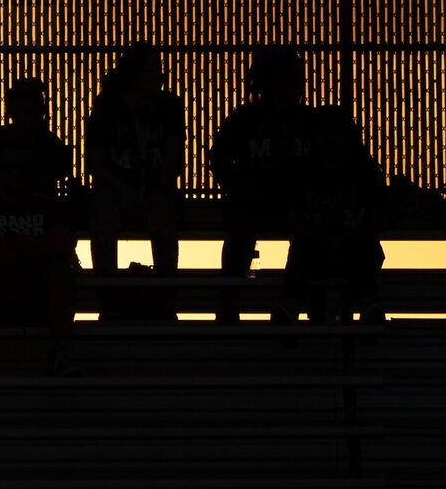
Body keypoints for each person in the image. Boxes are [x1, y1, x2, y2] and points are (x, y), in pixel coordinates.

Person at [0, 76, 76, 372]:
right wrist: (33, 249)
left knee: (60, 277)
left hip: (37, 290)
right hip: (0, 289)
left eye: (27, 166)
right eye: (10, 167)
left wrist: (12, 248)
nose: (18, 174)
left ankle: (60, 353)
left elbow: (61, 246)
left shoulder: (53, 207)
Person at [209, 46, 315, 322]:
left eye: (298, 77)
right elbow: (218, 159)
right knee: (240, 233)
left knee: (307, 231)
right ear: (269, 79)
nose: (297, 83)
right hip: (253, 204)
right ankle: (230, 305)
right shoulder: (245, 120)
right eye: (290, 76)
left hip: (297, 206)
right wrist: (239, 188)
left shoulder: (310, 122)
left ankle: (292, 304)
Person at [85, 41, 186, 279]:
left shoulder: (170, 106)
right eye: (151, 71)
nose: (160, 76)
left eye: (159, 69)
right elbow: (95, 163)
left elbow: (174, 159)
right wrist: (124, 190)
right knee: (103, 212)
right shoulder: (106, 108)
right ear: (132, 75)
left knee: (163, 211)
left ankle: (166, 295)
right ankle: (106, 294)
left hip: (157, 189)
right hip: (114, 192)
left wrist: (157, 189)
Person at [288, 103, 387, 324]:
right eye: (323, 134)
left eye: (336, 133)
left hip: (355, 245)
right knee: (301, 252)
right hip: (313, 247)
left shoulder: (365, 171)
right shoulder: (302, 172)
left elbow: (378, 213)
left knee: (364, 250)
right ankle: (289, 309)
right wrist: (319, 240)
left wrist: (347, 238)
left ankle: (369, 308)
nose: (329, 140)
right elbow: (293, 215)